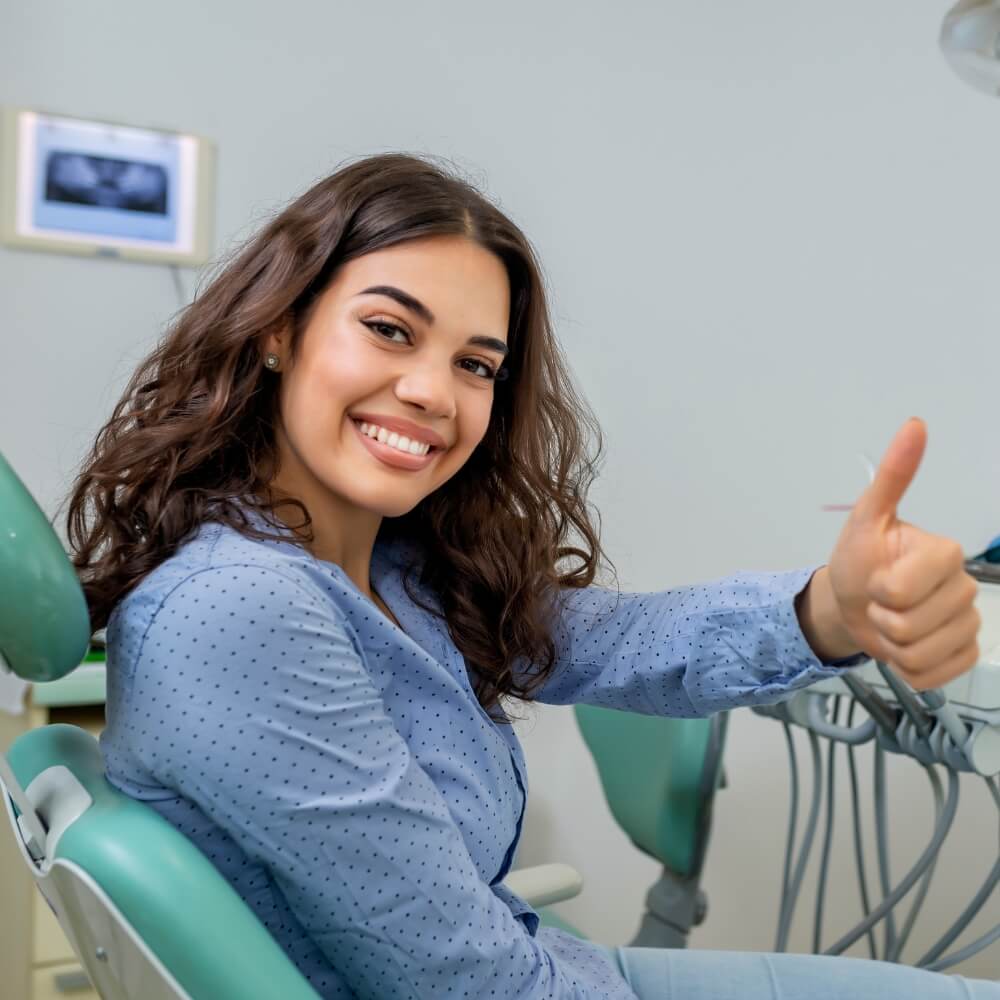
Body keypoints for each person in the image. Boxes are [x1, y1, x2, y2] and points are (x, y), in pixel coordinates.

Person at [67, 153, 995, 998]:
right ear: (278, 328)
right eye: (390, 329)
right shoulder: (242, 608)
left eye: (477, 364)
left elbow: (627, 641)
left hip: (551, 964)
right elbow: (471, 986)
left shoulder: (398, 572)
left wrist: (830, 607)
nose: (436, 392)